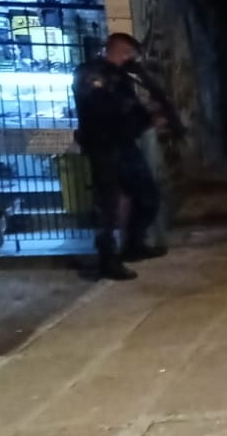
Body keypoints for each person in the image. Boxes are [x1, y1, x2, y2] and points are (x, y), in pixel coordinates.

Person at [74, 33, 183, 281]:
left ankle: (134, 245)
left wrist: (150, 118)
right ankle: (108, 260)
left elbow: (130, 110)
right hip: (104, 148)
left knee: (148, 196)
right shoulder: (91, 74)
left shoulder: (120, 77)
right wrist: (144, 118)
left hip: (124, 145)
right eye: (131, 55)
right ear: (122, 52)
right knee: (108, 206)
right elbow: (104, 111)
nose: (133, 61)